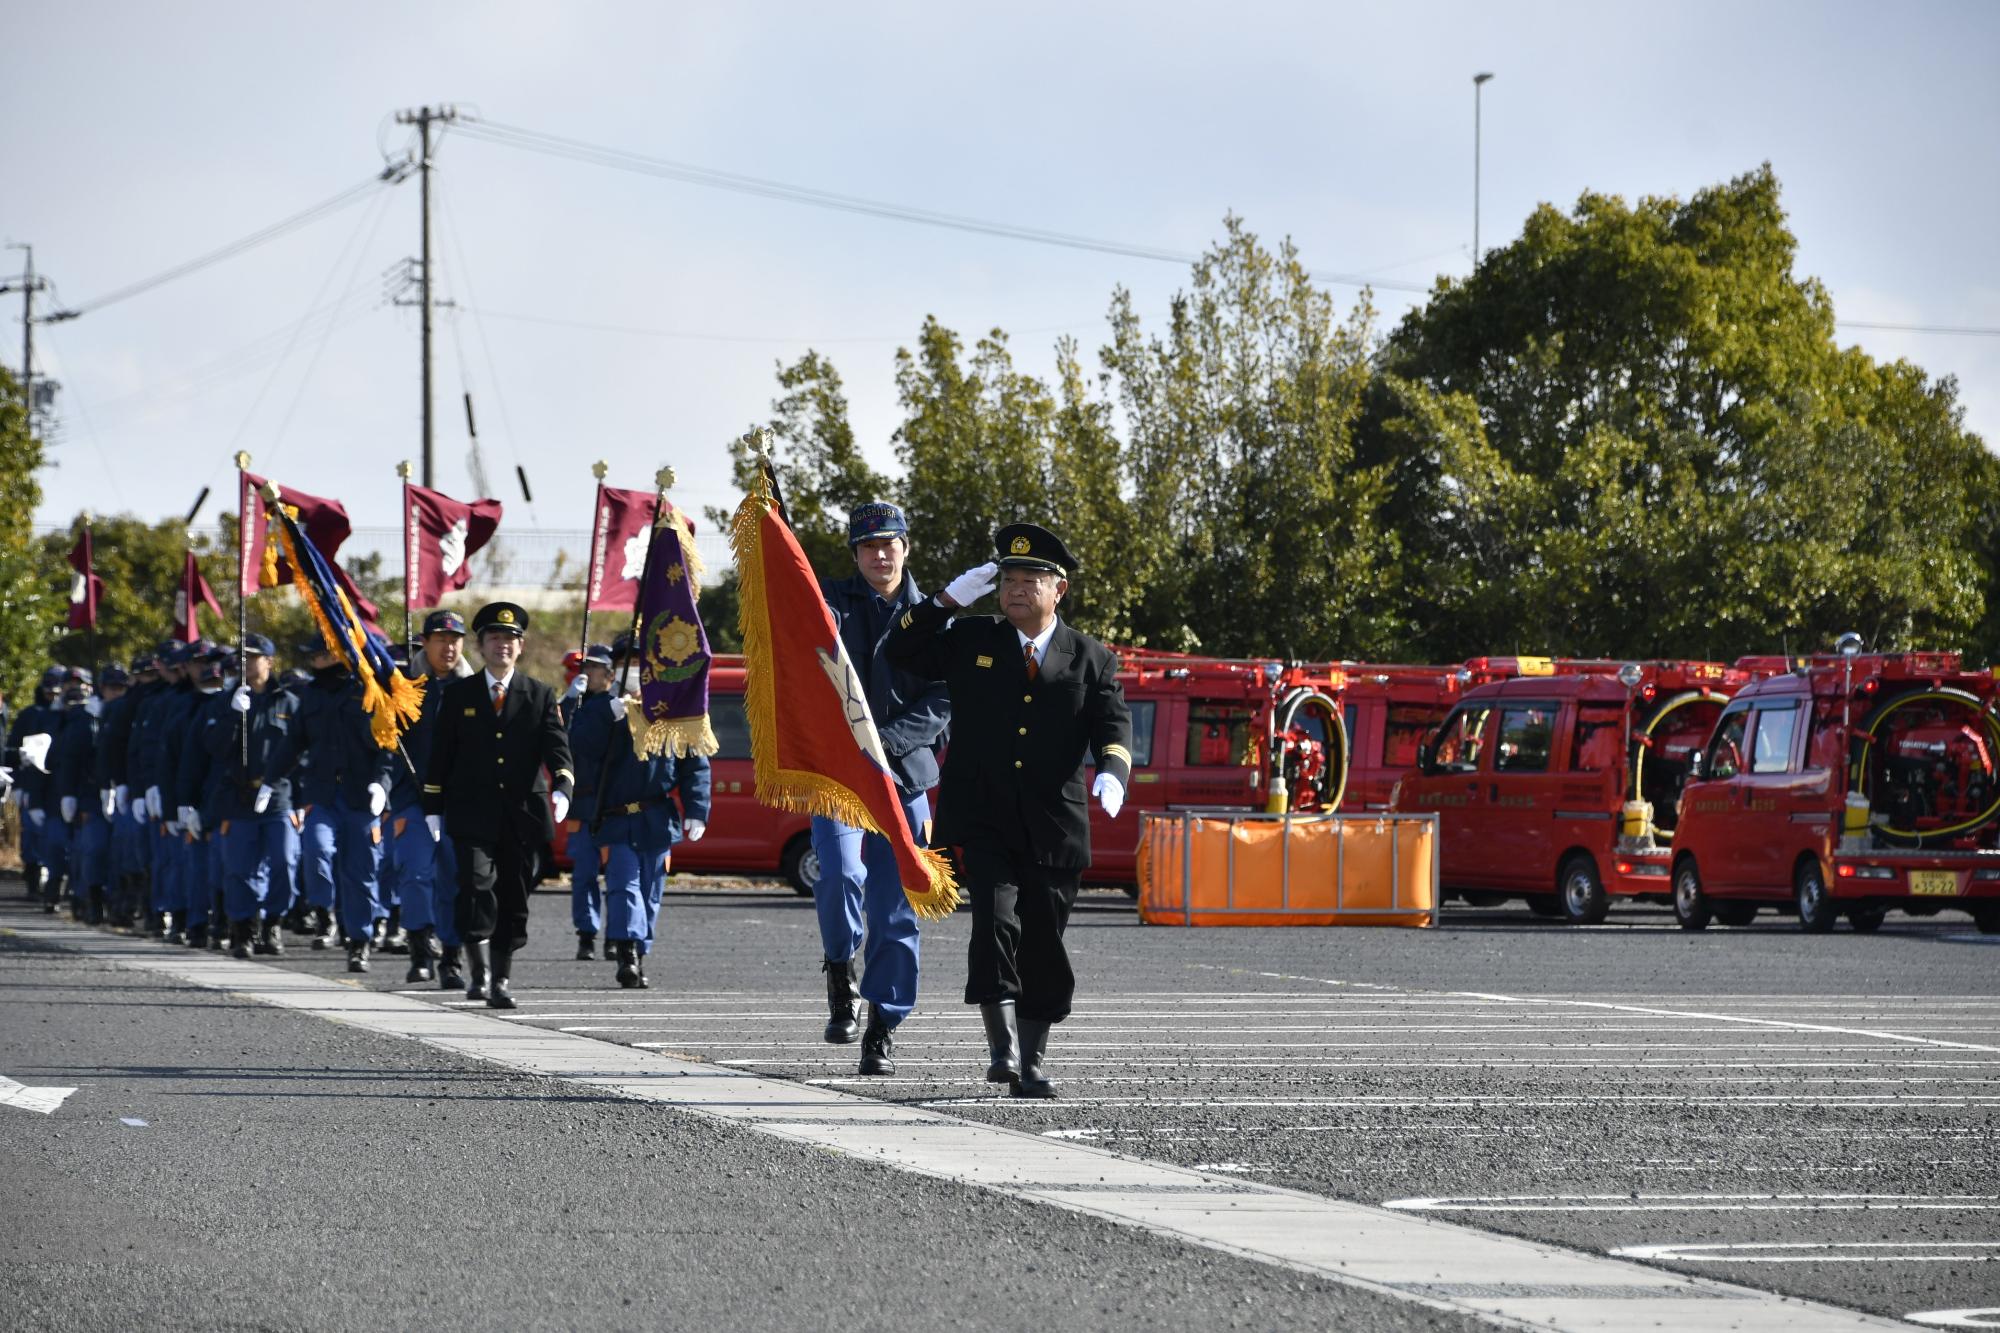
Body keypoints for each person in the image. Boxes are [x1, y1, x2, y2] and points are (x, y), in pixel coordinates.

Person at [885, 522, 1132, 1099]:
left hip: (1054, 825)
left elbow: (1113, 726)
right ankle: (1003, 1050)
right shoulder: (973, 640)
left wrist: (1114, 773)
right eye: (1008, 580)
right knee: (994, 923)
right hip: (984, 819)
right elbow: (900, 650)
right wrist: (946, 601)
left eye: (1031, 580)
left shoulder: (1092, 658)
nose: (1016, 590)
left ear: (1059, 590)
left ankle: (1034, 1059)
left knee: (1043, 939)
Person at [809, 502, 949, 1075]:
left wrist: (883, 742)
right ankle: (840, 966)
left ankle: (882, 1026)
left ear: (906, 547)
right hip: (839, 777)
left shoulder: (932, 616)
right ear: (856, 554)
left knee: (896, 911)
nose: (881, 554)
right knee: (841, 874)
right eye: (869, 546)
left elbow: (942, 701)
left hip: (901, 777)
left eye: (890, 543)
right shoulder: (829, 604)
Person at [421, 602, 575, 1009]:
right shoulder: (459, 695)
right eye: (494, 638)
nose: (502, 646)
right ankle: (479, 972)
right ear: (481, 646)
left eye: (509, 639)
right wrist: (432, 804)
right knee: (475, 886)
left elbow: (556, 748)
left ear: (520, 647)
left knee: (513, 896)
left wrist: (562, 785)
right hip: (472, 812)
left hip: (522, 816)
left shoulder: (539, 695)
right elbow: (441, 753)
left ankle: (501, 979)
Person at [261, 642, 393, 971]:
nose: (320, 658)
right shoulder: (311, 695)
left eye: (326, 652)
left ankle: (359, 941)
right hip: (321, 796)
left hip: (361, 797)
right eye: (315, 654)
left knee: (361, 872)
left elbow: (388, 745)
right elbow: (294, 742)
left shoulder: (368, 688)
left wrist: (382, 783)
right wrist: (270, 779)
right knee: (317, 851)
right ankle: (325, 911)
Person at [386, 610, 469, 986]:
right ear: (425, 642)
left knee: (455, 880)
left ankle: (451, 956)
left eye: (454, 640)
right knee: (416, 875)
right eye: (440, 639)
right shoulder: (404, 687)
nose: (448, 647)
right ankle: (420, 948)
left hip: (457, 802)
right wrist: (381, 784)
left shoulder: (474, 688)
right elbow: (385, 742)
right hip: (413, 800)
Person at [203, 636, 300, 958]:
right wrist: (232, 715)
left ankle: (272, 921)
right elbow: (213, 749)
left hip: (278, 795)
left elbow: (303, 753)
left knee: (286, 862)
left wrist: (301, 799)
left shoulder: (288, 702)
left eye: (253, 657)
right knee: (239, 870)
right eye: (242, 658)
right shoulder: (226, 701)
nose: (246, 663)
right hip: (239, 796)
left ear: (270, 662)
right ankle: (243, 928)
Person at [562, 642, 615, 961]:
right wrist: (569, 701)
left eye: (594, 667)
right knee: (583, 875)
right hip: (582, 805)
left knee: (618, 876)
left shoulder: (617, 705)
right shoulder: (575, 704)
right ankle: (586, 933)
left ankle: (616, 934)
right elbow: (557, 736)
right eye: (586, 667)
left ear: (610, 674)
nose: (588, 673)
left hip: (610, 804)